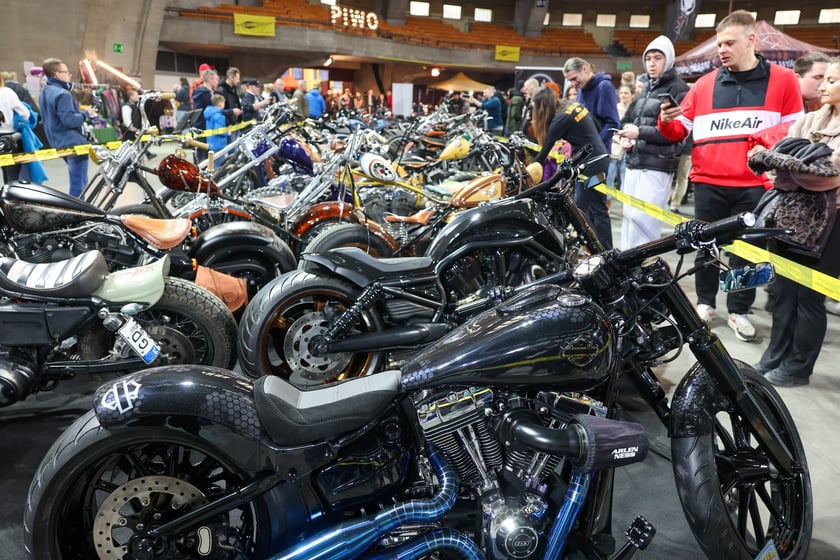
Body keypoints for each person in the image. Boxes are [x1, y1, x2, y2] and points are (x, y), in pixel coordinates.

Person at [658, 10, 804, 342]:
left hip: (755, 185)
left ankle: (740, 310)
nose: (721, 50)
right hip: (708, 183)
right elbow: (679, 130)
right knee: (705, 247)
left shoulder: (783, 80)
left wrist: (759, 140)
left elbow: (796, 127)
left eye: (729, 43)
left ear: (751, 40)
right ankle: (706, 303)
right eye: (719, 44)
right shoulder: (704, 84)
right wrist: (665, 120)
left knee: (748, 252)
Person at [750, 56, 840, 386]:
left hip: (832, 224)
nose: (823, 85)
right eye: (823, 78)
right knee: (783, 290)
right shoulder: (810, 119)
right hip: (791, 216)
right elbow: (781, 168)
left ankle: (798, 368)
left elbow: (826, 177)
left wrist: (794, 167)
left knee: (809, 297)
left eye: (832, 80)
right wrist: (799, 168)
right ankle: (775, 354)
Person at [615, 35, 689, 249]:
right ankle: (627, 265)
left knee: (645, 223)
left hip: (657, 165)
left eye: (658, 58)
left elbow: (675, 133)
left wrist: (638, 132)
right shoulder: (645, 88)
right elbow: (628, 120)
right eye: (648, 59)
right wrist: (626, 138)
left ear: (669, 60)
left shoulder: (680, 90)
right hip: (634, 162)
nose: (652, 63)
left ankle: (643, 266)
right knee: (629, 219)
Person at [530, 85, 613, 250]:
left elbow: (543, 154)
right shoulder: (572, 106)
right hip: (599, 161)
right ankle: (596, 248)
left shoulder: (560, 119)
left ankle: (606, 251)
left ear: (541, 107)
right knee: (586, 206)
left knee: (592, 208)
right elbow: (597, 127)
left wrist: (527, 171)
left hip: (591, 167)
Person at [38, 58, 97, 197]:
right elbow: (69, 121)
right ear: (57, 74)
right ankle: (77, 210)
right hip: (74, 144)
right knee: (79, 185)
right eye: (66, 72)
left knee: (78, 182)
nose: (69, 75)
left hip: (58, 142)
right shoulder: (63, 94)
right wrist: (86, 113)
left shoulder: (44, 92)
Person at [563, 57, 620, 148]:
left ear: (585, 69)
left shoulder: (604, 87)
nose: (573, 84)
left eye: (574, 78)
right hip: (582, 149)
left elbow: (613, 124)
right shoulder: (581, 89)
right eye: (570, 80)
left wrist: (594, 145)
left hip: (596, 151)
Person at [0, 72, 31, 183]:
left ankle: (6, 190)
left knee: (4, 168)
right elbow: (25, 113)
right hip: (10, 136)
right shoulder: (7, 92)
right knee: (13, 171)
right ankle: (12, 191)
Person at [606, 83, 635, 190]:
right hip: (614, 146)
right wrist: (618, 140)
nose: (623, 95)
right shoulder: (614, 108)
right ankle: (607, 200)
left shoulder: (635, 109)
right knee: (609, 176)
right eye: (621, 93)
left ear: (632, 95)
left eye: (626, 93)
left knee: (625, 177)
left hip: (629, 147)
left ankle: (624, 200)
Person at [191, 68, 220, 162]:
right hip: (202, 127)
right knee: (202, 154)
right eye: (216, 80)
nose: (217, 82)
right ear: (210, 79)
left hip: (209, 127)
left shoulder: (211, 93)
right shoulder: (202, 93)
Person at [203, 93, 239, 163]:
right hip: (219, 143)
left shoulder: (210, 113)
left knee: (212, 162)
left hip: (211, 142)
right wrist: (228, 132)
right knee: (219, 163)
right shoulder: (219, 116)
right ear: (220, 103)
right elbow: (219, 131)